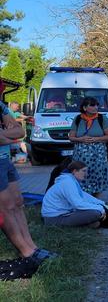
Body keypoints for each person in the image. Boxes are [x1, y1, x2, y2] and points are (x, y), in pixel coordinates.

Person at [0, 97, 54, 271]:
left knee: (18, 203)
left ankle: (33, 247)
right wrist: (7, 135)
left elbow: (20, 132)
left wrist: (3, 136)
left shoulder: (0, 106)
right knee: (5, 208)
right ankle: (26, 252)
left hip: (5, 160)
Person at [68, 96, 108, 196]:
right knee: (80, 176)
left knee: (96, 178)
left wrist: (96, 139)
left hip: (98, 156)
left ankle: (96, 202)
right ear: (84, 108)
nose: (96, 107)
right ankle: (81, 200)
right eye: (92, 105)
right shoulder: (78, 119)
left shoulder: (102, 118)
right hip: (80, 156)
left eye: (97, 105)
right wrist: (80, 139)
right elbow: (71, 137)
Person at [41, 161, 106, 227]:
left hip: (62, 215)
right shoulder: (68, 182)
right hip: (54, 219)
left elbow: (84, 196)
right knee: (95, 213)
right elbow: (78, 204)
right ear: (74, 171)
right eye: (84, 171)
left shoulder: (70, 180)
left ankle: (87, 225)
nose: (86, 174)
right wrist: (100, 209)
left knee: (95, 210)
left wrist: (102, 204)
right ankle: (84, 225)